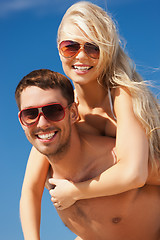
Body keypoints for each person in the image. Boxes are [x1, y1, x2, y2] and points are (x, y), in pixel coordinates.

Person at [29, 1, 160, 210]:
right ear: (58, 48)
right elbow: (31, 187)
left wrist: (75, 192)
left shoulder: (121, 95)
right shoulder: (61, 109)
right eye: (70, 47)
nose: (81, 56)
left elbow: (135, 174)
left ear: (107, 51)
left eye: (93, 48)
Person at [16, 69, 160, 240]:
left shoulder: (115, 158)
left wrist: (76, 191)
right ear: (22, 121)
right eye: (30, 114)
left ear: (73, 113)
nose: (43, 123)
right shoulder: (44, 162)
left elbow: (138, 173)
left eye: (53, 111)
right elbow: (30, 193)